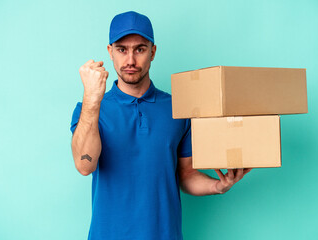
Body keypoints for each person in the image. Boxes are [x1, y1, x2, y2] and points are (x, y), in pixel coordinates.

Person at [70, 11, 252, 240]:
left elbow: (186, 175)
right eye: (122, 49)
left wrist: (218, 186)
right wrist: (92, 98)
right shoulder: (89, 109)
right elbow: (84, 165)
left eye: (140, 49)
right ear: (110, 52)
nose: (130, 61)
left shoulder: (178, 108)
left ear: (153, 52)